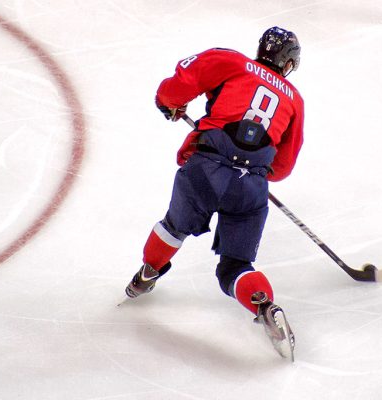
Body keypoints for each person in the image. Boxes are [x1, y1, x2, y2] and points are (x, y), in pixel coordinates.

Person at [125, 27, 304, 360]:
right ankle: (265, 307)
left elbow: (178, 85)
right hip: (251, 188)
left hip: (206, 169)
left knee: (174, 227)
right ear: (289, 63)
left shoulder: (231, 62)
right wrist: (256, 166)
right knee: (237, 265)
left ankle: (147, 274)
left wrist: (169, 104)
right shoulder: (294, 100)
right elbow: (283, 166)